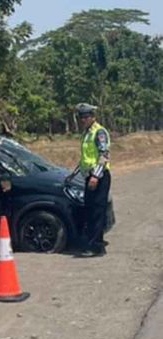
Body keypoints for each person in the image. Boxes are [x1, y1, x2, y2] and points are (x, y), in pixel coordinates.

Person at [72, 103, 112, 257]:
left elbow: (104, 155)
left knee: (97, 211)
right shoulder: (87, 133)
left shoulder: (99, 132)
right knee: (90, 210)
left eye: (86, 117)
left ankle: (97, 247)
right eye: (81, 117)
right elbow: (87, 156)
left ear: (93, 117)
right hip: (89, 176)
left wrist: (95, 176)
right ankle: (92, 243)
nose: (83, 120)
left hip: (100, 177)